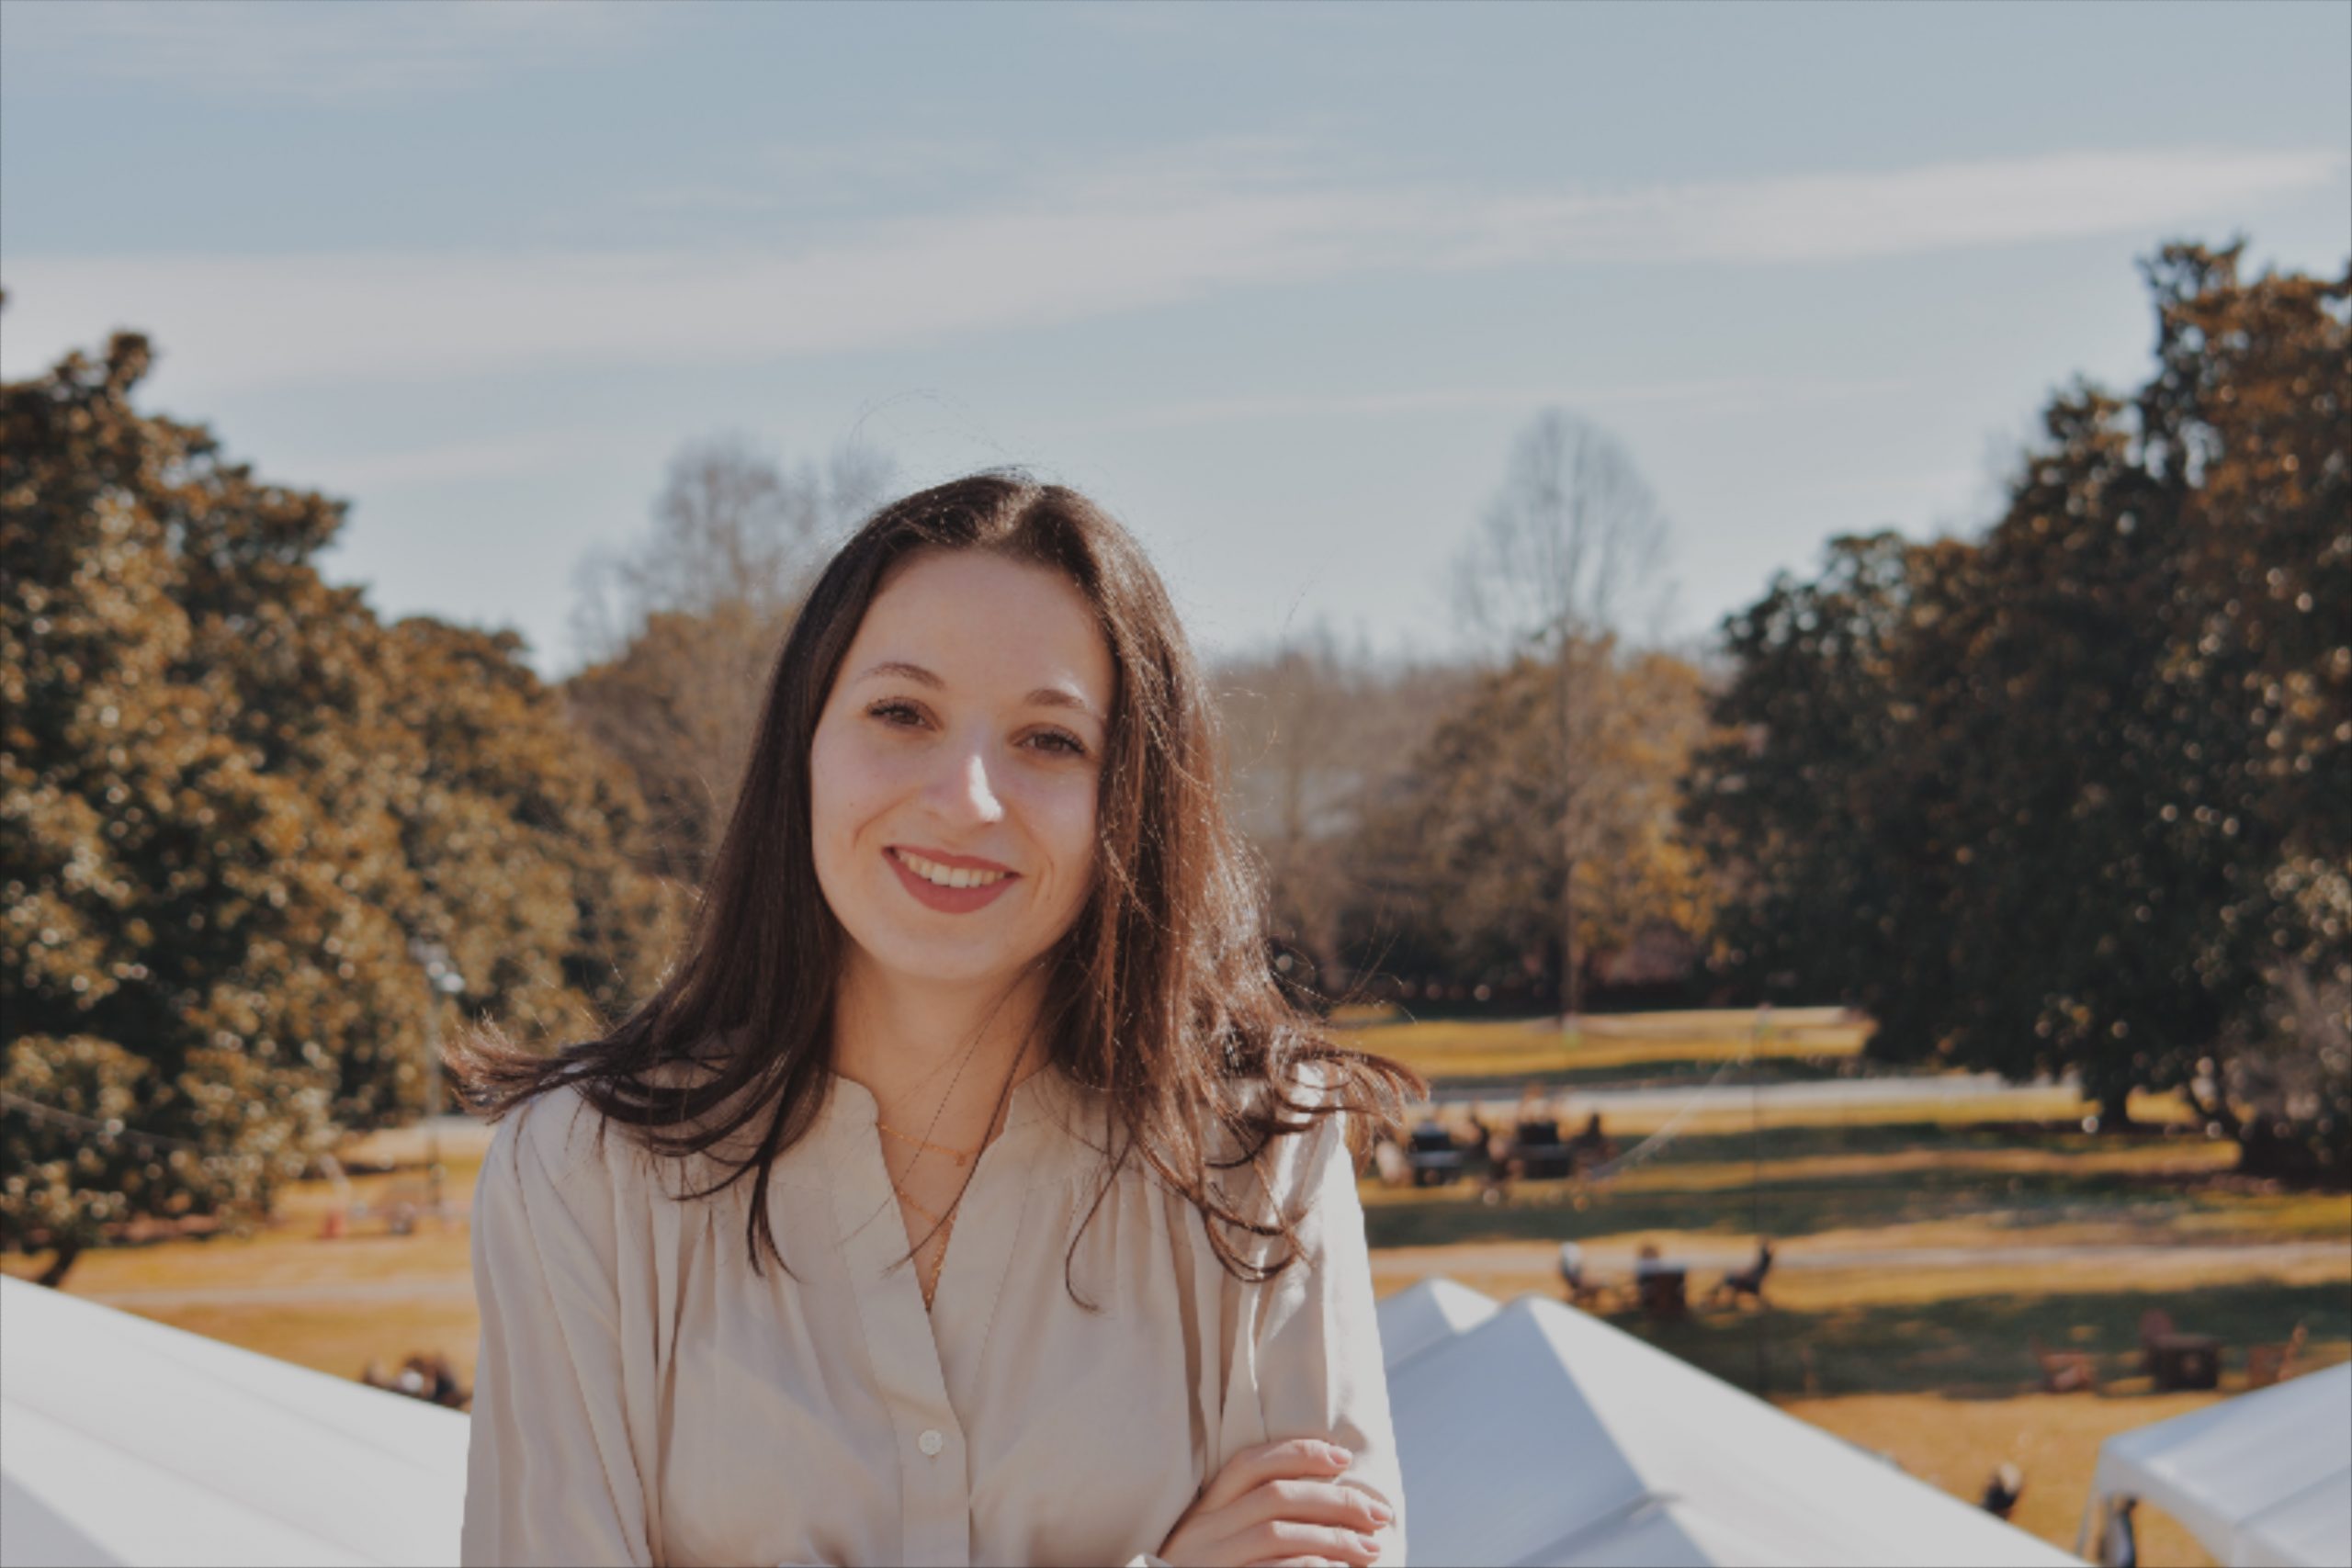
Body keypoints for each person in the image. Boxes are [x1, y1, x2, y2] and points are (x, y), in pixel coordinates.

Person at [453, 476, 1419, 1567]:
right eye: (901, 714)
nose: (966, 798)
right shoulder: (581, 1176)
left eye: (1049, 740)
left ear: (1131, 800)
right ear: (802, 748)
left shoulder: (1258, 1153)